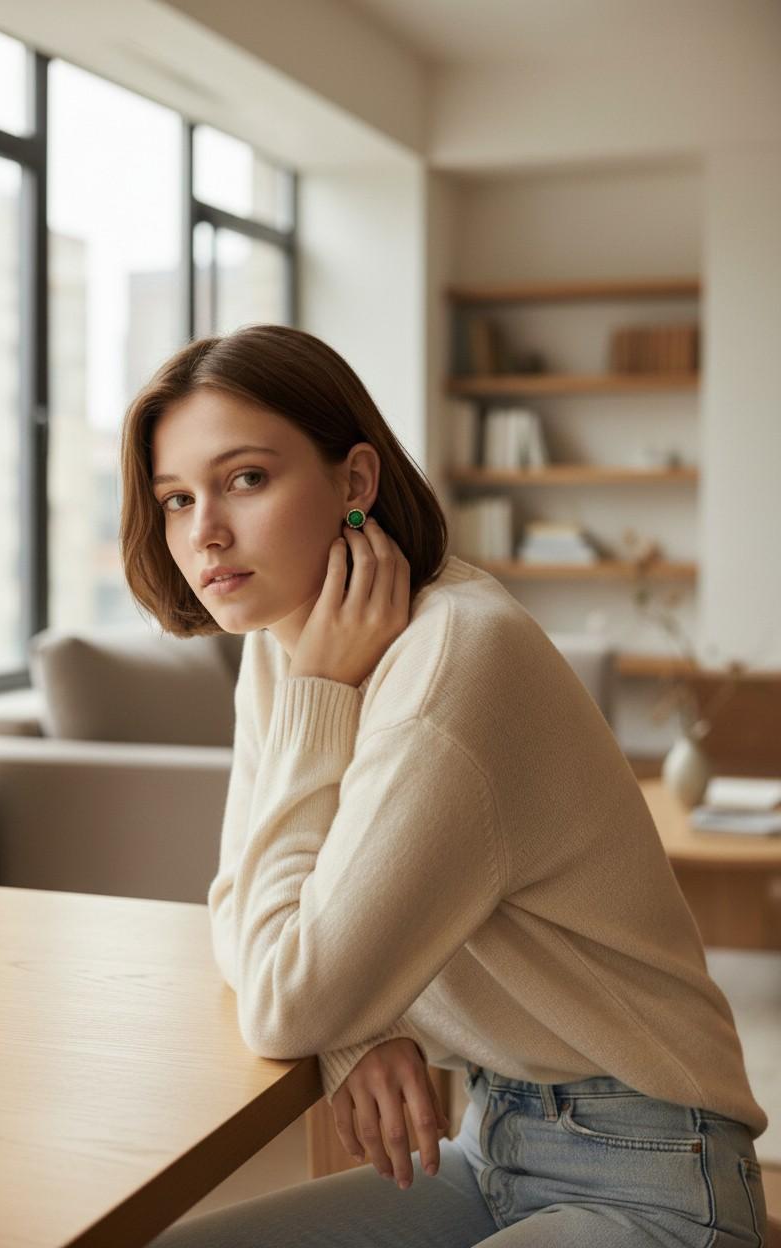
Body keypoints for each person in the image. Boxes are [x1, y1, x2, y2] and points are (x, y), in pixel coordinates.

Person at [120, 324, 768, 1246]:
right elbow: (242, 906)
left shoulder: (455, 661)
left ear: (355, 481)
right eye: (176, 499)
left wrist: (329, 1000)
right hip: (487, 1145)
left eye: (245, 479)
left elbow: (276, 995)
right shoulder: (283, 649)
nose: (205, 532)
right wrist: (355, 1028)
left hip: (651, 1172)